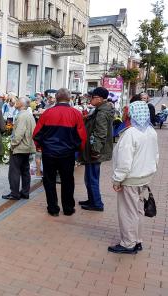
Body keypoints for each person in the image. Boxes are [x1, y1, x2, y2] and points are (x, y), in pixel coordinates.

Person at [109, 101, 158, 254]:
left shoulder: (130, 133)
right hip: (144, 177)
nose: (125, 113)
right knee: (138, 211)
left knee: (128, 211)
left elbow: (124, 162)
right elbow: (156, 155)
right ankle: (137, 240)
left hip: (130, 179)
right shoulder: (151, 131)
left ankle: (128, 243)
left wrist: (117, 180)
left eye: (127, 111)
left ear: (131, 113)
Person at [33, 88, 87, 217]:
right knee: (67, 180)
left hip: (49, 152)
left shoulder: (47, 113)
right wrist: (78, 150)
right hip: (67, 153)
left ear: (56, 98)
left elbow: (37, 134)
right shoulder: (75, 114)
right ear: (69, 98)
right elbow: (81, 136)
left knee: (49, 180)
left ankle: (53, 208)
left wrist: (40, 147)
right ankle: (68, 208)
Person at [79, 87, 114, 212]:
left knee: (92, 178)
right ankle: (92, 199)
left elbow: (100, 133)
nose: (90, 99)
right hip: (94, 150)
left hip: (95, 152)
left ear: (99, 99)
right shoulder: (100, 110)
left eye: (92, 97)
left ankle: (97, 203)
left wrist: (95, 151)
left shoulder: (102, 112)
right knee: (90, 177)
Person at [2, 97, 36, 200]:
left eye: (17, 101)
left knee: (14, 171)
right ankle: (25, 192)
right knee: (25, 171)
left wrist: (12, 144)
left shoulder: (22, 116)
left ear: (21, 104)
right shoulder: (29, 115)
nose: (15, 103)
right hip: (27, 146)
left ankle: (14, 193)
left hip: (20, 147)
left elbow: (19, 134)